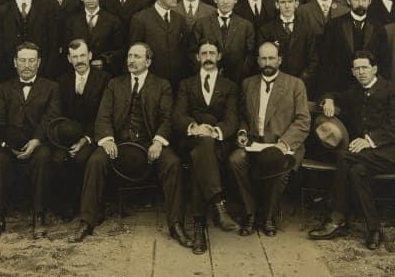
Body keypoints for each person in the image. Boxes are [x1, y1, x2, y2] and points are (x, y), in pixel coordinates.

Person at [68, 43, 187, 246]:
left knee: (173, 163)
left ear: (148, 61)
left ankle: (176, 224)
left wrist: (158, 142)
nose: (132, 60)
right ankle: (87, 221)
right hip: (119, 144)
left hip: (149, 144)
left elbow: (168, 118)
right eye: (130, 56)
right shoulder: (115, 84)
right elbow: (103, 116)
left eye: (137, 57)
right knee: (95, 161)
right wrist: (107, 139)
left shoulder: (162, 85)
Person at [309, 50, 395, 250]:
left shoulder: (393, 91)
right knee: (356, 172)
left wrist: (369, 140)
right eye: (357, 68)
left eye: (365, 68)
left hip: (392, 152)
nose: (361, 72)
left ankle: (337, 218)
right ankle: (374, 229)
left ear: (375, 69)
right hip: (365, 158)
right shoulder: (354, 92)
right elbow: (334, 95)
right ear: (352, 72)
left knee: (344, 157)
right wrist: (328, 99)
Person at [227, 42, 311, 236]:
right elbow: (242, 116)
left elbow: (303, 120)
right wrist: (242, 132)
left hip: (284, 144)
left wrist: (284, 144)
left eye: (271, 58)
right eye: (263, 58)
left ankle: (268, 216)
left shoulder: (295, 84)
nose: (267, 62)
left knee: (280, 168)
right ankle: (250, 211)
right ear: (257, 60)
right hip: (255, 143)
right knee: (235, 161)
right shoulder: (248, 84)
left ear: (279, 60)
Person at [0, 43, 62, 240]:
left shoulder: (51, 87)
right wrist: (9, 145)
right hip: (10, 144)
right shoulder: (3, 88)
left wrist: (36, 141)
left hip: (38, 142)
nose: (26, 65)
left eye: (31, 60)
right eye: (22, 60)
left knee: (43, 157)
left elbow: (51, 119)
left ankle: (39, 216)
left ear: (38, 63)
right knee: (0, 160)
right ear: (15, 63)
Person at [172, 40, 241, 253]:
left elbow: (231, 119)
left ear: (219, 56)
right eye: (204, 53)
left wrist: (214, 131)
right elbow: (178, 114)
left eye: (212, 53)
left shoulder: (230, 86)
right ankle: (218, 205)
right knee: (201, 148)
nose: (208, 57)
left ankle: (199, 229)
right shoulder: (186, 84)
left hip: (217, 142)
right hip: (191, 139)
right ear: (197, 57)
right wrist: (194, 127)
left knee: (199, 160)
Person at [54, 39, 109, 217]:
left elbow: (103, 115)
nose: (79, 61)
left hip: (93, 135)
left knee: (81, 159)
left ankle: (90, 206)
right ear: (69, 59)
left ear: (90, 56)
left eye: (83, 56)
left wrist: (84, 140)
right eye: (75, 57)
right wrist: (70, 141)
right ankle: (68, 204)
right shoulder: (62, 81)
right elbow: (59, 115)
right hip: (68, 137)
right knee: (58, 159)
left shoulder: (104, 80)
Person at [318, 0, 386, 98]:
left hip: (370, 92)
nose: (360, 3)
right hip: (341, 90)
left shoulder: (378, 27)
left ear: (370, 1)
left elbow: (384, 62)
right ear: (348, 0)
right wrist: (328, 95)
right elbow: (325, 62)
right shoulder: (334, 26)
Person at [128, 0, 192, 84]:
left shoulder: (179, 19)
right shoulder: (140, 19)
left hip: (177, 82)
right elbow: (134, 53)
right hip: (152, 83)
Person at [193, 0, 256, 82]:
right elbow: (193, 53)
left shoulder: (246, 26)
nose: (225, 1)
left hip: (237, 80)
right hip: (207, 78)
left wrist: (241, 75)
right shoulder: (202, 24)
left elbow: (251, 56)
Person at [62, 0, 125, 75]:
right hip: (79, 72)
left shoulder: (113, 21)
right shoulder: (72, 21)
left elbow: (121, 50)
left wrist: (104, 60)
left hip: (105, 72)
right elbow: (67, 49)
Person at [259, 0, 318, 87]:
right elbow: (263, 60)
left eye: (290, 2)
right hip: (276, 82)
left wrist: (300, 79)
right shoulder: (266, 30)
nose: (287, 6)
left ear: (296, 4)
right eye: (283, 2)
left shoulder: (306, 29)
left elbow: (313, 60)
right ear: (277, 5)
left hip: (301, 82)